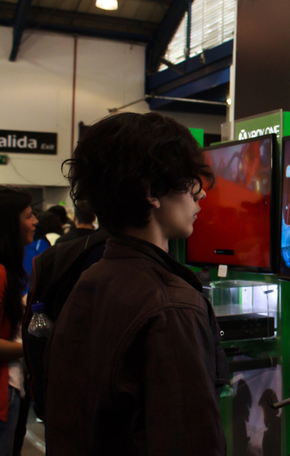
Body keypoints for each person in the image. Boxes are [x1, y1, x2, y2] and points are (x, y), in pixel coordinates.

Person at [45, 112, 228, 455]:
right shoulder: (171, 305)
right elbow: (189, 441)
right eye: (189, 181)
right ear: (152, 191)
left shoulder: (93, 279)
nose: (201, 194)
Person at [0, 187, 37, 455]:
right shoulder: (1, 273)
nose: (35, 221)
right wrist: (33, 346)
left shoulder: (9, 270)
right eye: (28, 215)